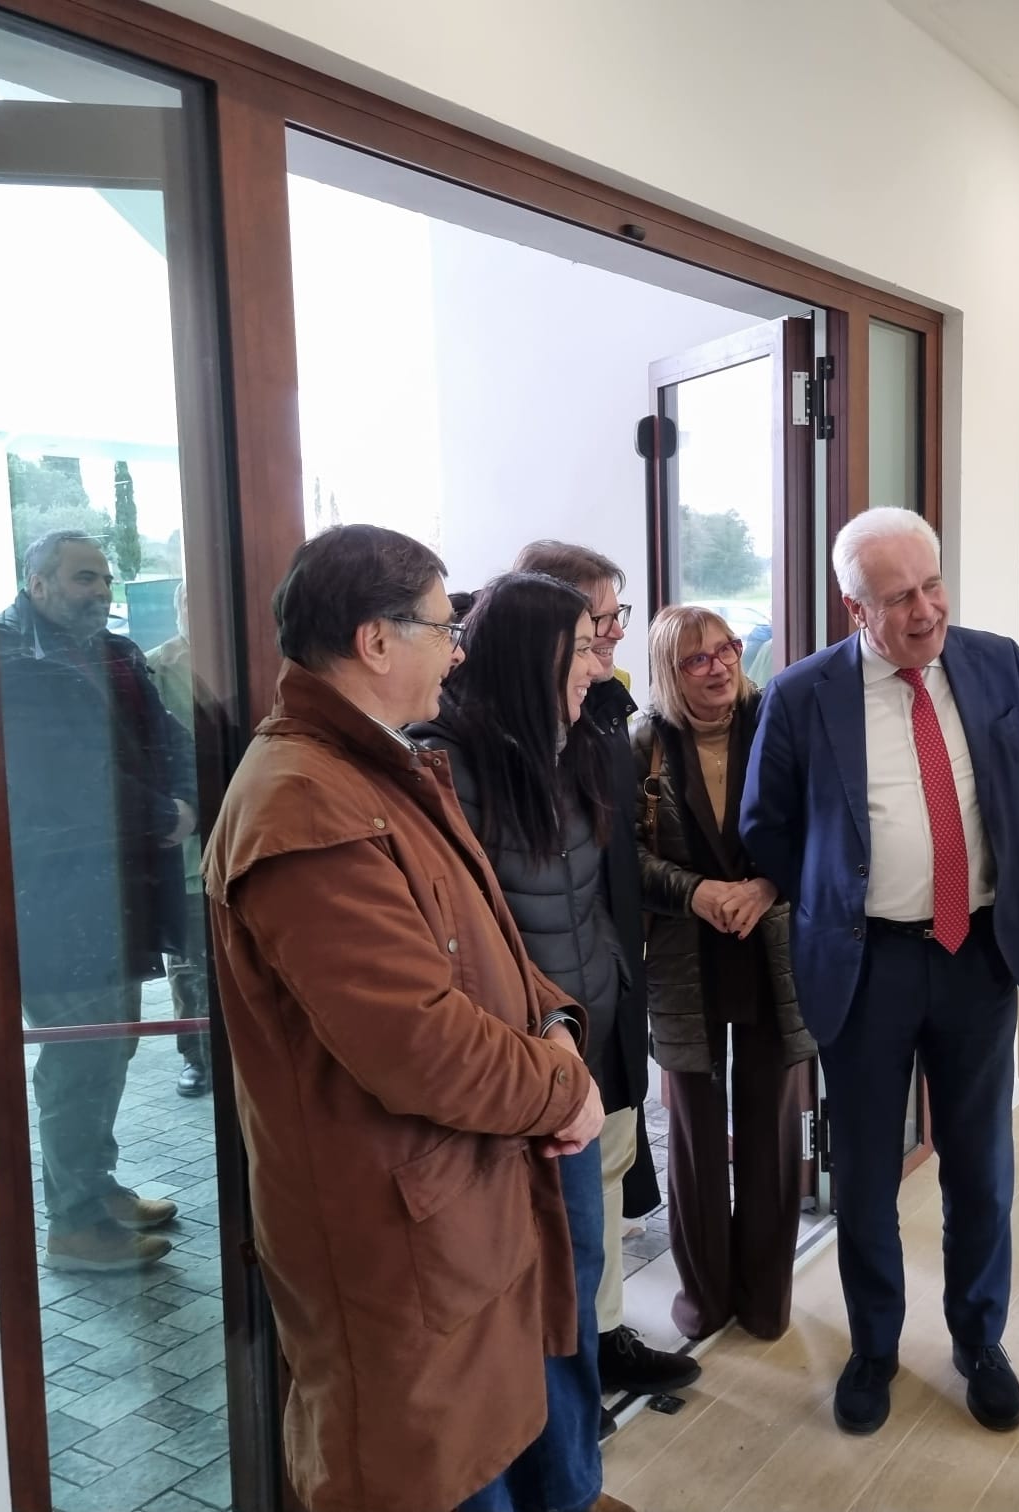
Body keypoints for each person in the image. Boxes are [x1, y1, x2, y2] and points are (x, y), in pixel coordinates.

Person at [200, 526, 625, 1512]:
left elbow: (490, 949)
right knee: (439, 1472)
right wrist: (562, 1085)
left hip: (455, 1203)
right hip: (397, 1240)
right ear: (375, 641)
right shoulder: (302, 803)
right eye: (444, 628)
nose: (459, 652)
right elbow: (419, 1043)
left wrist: (555, 1024)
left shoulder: (370, 770)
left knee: (501, 1446)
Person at [739, 508, 1019, 1438]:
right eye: (898, 599)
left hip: (976, 958)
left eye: (932, 586)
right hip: (866, 966)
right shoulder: (802, 695)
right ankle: (874, 1347)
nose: (925, 612)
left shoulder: (993, 663)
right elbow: (766, 824)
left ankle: (979, 1340)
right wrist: (840, 894)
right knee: (866, 1174)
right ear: (855, 609)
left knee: (981, 1167)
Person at [407, 572, 628, 1483]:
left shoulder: (566, 746)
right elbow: (460, 952)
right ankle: (557, 1483)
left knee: (574, 1279)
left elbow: (587, 898)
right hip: (509, 1081)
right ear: (532, 655)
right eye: (582, 647)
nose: (597, 664)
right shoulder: (447, 768)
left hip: (569, 1054)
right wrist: (545, 1050)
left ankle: (569, 1480)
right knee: (529, 1296)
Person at [511, 540, 694, 1398]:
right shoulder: (509, 741)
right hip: (550, 1012)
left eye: (616, 617)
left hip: (610, 981)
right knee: (564, 1200)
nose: (615, 634)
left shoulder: (607, 713)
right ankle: (566, 1374)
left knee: (613, 1163)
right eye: (599, 621)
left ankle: (607, 1334)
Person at [0, 530, 195, 1272]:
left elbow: (170, 737)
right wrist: (163, 813)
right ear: (38, 582)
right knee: (79, 1054)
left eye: (106, 579)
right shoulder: (9, 658)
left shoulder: (114, 652)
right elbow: (63, 774)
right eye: (85, 578)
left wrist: (189, 796)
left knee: (112, 1044)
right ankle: (73, 1225)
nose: (101, 592)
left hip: (116, 887)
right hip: (54, 895)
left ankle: (95, 1188)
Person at [632, 607, 816, 1343]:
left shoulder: (781, 724)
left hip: (773, 952)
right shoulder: (642, 744)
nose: (719, 667)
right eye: (696, 659)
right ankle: (705, 1299)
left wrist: (768, 885)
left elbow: (823, 829)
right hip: (685, 958)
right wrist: (696, 892)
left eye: (727, 649)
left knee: (772, 1127)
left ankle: (766, 1299)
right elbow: (624, 857)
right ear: (669, 673)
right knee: (695, 1133)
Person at [145, 579, 211, 1098]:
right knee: (189, 964)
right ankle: (196, 1057)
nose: (198, 609)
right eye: (189, 600)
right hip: (188, 849)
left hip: (238, 835)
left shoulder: (249, 659)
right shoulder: (154, 667)